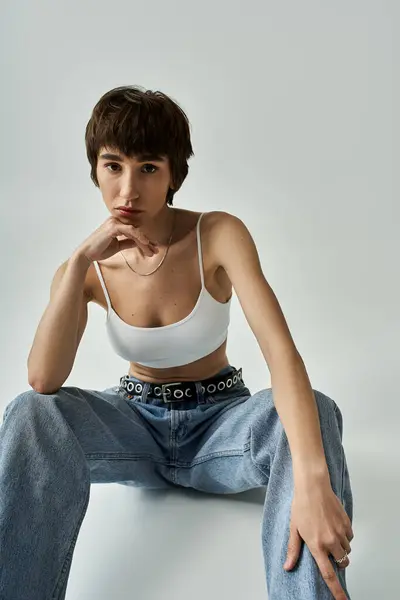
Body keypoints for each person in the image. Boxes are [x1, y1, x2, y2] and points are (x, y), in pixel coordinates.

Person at [0, 85, 354, 600]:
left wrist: (313, 480)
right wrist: (78, 264)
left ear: (173, 176)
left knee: (317, 412)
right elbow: (43, 380)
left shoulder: (219, 234)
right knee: (30, 411)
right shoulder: (88, 269)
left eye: (148, 168)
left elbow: (282, 355)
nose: (128, 190)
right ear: (95, 171)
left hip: (220, 428)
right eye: (112, 166)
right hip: (133, 430)